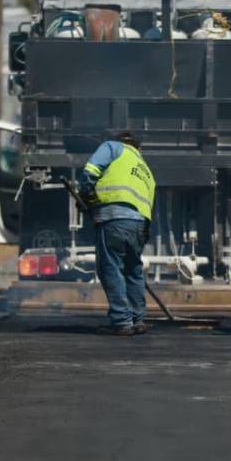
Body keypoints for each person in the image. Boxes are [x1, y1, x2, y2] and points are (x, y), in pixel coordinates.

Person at [79, 131, 156, 336]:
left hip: (114, 218)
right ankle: (138, 319)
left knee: (110, 267)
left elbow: (91, 170)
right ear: (137, 147)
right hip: (139, 225)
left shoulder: (113, 147)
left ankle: (122, 321)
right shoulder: (145, 169)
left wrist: (85, 193)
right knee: (133, 270)